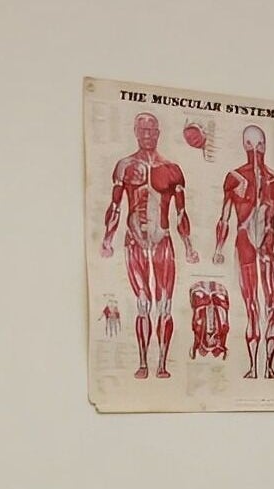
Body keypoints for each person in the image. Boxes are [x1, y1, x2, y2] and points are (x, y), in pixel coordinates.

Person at [101, 113, 198, 379]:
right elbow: (115, 206)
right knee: (143, 303)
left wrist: (188, 246)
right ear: (135, 131)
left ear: (158, 133)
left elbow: (181, 213)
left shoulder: (172, 169)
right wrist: (107, 240)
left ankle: (162, 364)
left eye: (151, 129)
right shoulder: (124, 166)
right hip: (134, 241)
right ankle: (144, 362)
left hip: (162, 241)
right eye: (142, 129)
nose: (147, 134)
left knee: (164, 305)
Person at [213, 125, 274, 380]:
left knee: (272, 306)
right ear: (245, 146)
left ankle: (268, 367)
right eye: (251, 144)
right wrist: (218, 248)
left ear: (264, 146)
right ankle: (254, 367)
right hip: (246, 246)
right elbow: (224, 218)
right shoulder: (234, 178)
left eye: (259, 144)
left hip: (268, 245)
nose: (255, 150)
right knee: (252, 307)